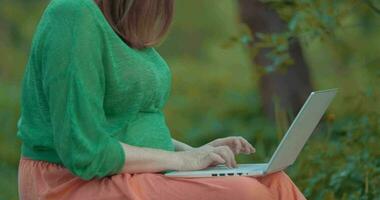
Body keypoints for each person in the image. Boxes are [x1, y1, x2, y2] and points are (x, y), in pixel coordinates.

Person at [17, 0, 306, 199]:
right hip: (68, 183)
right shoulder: (72, 14)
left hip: (126, 171)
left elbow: (123, 125)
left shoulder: (114, 24)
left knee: (272, 181)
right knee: (244, 194)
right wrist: (181, 160)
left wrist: (197, 153)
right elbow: (86, 151)